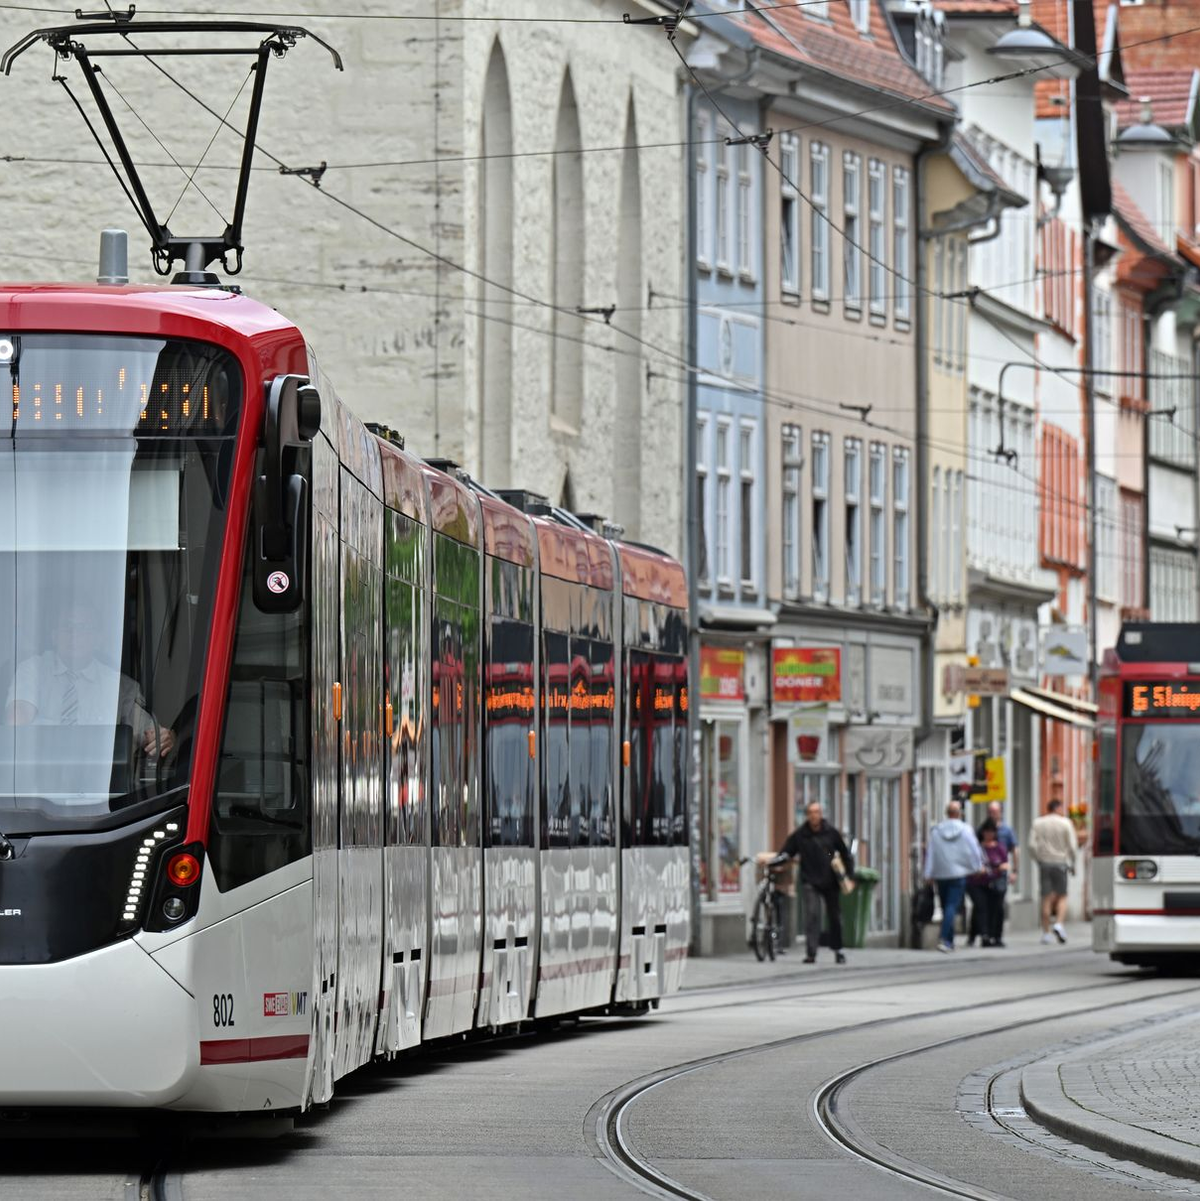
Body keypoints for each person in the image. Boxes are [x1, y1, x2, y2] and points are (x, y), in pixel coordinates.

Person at [5, 599, 174, 758]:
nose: (74, 634)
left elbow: (153, 735)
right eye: (67, 626)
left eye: (83, 628)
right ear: (54, 636)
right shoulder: (33, 670)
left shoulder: (119, 686)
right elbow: (16, 724)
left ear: (98, 639)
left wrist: (166, 738)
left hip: (102, 778)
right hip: (39, 774)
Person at [778, 800, 854, 965]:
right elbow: (787, 852)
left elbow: (845, 854)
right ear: (807, 815)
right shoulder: (800, 835)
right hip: (810, 880)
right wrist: (775, 861)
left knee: (834, 916)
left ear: (821, 814)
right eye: (811, 812)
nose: (814, 816)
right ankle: (811, 952)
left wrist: (849, 875)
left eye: (816, 812)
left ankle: (838, 950)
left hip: (830, 880)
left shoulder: (831, 833)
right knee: (811, 915)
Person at [924, 800, 983, 953]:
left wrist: (928, 873)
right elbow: (974, 849)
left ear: (947, 813)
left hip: (941, 873)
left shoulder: (937, 831)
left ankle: (949, 941)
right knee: (951, 905)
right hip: (958, 873)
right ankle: (945, 938)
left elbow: (931, 852)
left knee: (945, 906)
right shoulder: (965, 830)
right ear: (959, 813)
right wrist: (978, 866)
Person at [1029, 798, 1076, 944]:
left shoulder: (1038, 823)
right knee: (1062, 895)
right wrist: (1073, 863)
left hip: (1045, 863)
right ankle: (1059, 923)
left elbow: (1031, 845)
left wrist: (1038, 858)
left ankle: (1046, 932)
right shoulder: (1065, 823)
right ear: (1057, 808)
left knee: (1046, 897)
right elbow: (1072, 846)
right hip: (1060, 862)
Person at [968, 822, 1010, 947]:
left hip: (994, 883)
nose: (989, 834)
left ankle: (996, 936)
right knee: (981, 908)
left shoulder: (999, 847)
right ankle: (984, 935)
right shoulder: (977, 848)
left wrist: (1001, 867)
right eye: (986, 832)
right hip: (978, 882)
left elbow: (1005, 863)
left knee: (997, 909)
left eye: (992, 832)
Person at [986, 800, 1019, 887]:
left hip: (1000, 872)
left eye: (994, 812)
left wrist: (1014, 871)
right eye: (990, 812)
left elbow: (1015, 850)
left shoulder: (1007, 831)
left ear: (1000, 812)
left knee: (999, 892)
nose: (992, 815)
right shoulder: (981, 830)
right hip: (984, 872)